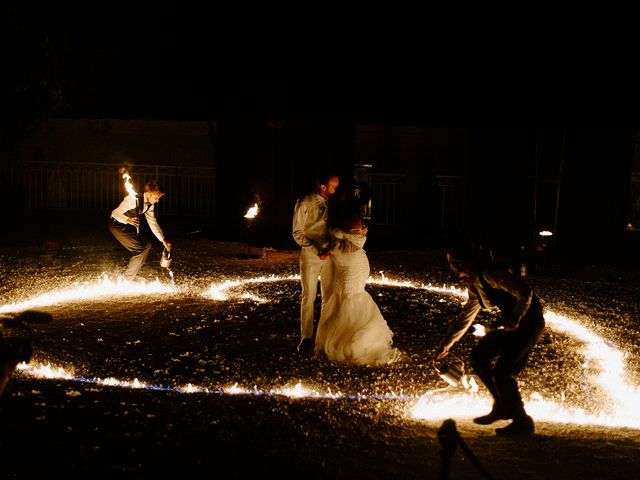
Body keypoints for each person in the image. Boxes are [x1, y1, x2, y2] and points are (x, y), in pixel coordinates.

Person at [435, 242, 545, 435]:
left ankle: (522, 421)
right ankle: (502, 406)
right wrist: (448, 343)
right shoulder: (475, 284)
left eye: (456, 262)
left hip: (528, 323)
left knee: (503, 373)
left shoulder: (489, 274)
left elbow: (525, 292)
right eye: (452, 263)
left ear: (467, 260)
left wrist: (516, 318)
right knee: (479, 357)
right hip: (510, 324)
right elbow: (467, 315)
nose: (453, 267)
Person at [314, 195, 401, 365]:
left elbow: (356, 235)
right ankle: (349, 343)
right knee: (350, 310)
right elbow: (358, 238)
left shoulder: (339, 238)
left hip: (354, 278)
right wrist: (360, 232)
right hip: (351, 281)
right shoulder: (343, 241)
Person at [291, 173, 340, 353]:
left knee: (328, 295)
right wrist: (315, 250)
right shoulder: (304, 203)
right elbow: (297, 232)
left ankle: (324, 334)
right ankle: (306, 337)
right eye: (334, 186)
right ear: (323, 187)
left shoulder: (334, 204)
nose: (336, 190)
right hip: (311, 256)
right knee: (309, 296)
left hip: (330, 256)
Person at [109, 179, 171, 281]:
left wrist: (162, 239)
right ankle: (127, 279)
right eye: (156, 197)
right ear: (148, 194)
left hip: (128, 227)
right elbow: (115, 213)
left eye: (159, 198)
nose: (158, 201)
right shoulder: (133, 199)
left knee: (147, 245)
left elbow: (152, 222)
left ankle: (131, 274)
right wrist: (127, 219)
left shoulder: (149, 204)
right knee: (139, 250)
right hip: (117, 225)